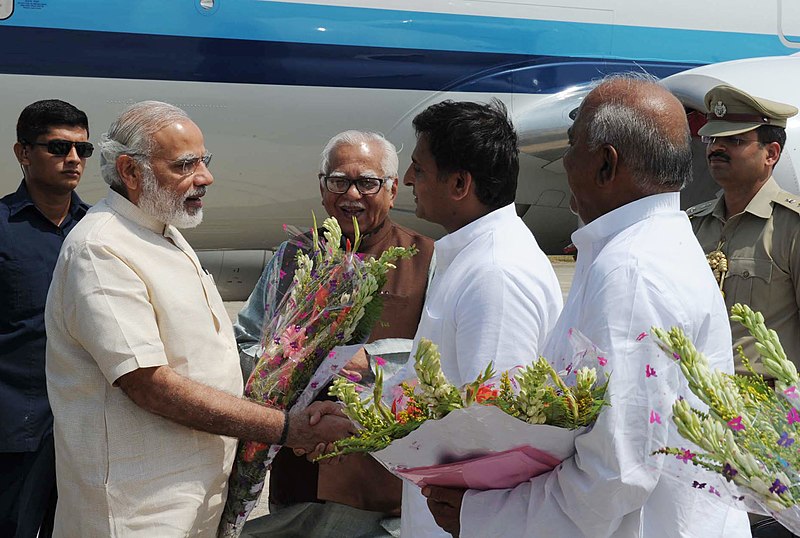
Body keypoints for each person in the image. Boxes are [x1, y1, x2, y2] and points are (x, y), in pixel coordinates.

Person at [422, 76, 751, 537]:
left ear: (604, 163)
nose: (564, 161)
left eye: (572, 145)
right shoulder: (647, 250)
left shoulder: (632, 272)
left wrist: (484, 518)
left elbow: (614, 475)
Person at [44, 101, 351, 537]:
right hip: (138, 510)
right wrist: (285, 427)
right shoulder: (100, 248)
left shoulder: (161, 231)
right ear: (131, 172)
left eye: (203, 161)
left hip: (190, 499)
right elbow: (150, 385)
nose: (205, 178)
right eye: (185, 165)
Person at [235, 130, 434, 538]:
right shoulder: (293, 257)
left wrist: (373, 360)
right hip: (299, 475)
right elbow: (245, 341)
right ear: (322, 187)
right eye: (339, 181)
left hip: (380, 485)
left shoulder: (426, 259)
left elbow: (442, 358)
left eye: (368, 182)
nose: (352, 194)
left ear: (393, 190)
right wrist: (285, 378)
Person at [395, 99, 563, 537]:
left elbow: (493, 431)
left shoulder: (496, 273)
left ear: (459, 184)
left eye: (419, 168)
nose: (408, 179)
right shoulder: (471, 256)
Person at [0, 100, 91, 538]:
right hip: (14, 430)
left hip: (86, 428)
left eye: (82, 149)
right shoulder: (2, 229)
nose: (73, 159)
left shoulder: (100, 233)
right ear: (23, 153)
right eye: (58, 147)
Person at [688, 85, 800, 379]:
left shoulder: (791, 226)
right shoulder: (692, 225)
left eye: (734, 140)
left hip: (767, 408)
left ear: (771, 154)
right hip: (698, 401)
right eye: (712, 139)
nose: (715, 148)